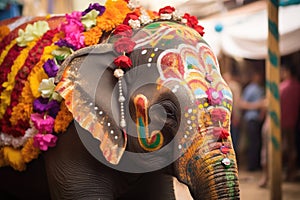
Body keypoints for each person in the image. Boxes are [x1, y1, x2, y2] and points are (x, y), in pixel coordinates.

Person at [241, 70, 265, 171]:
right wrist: (257, 105)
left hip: (258, 120)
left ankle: (256, 165)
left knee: (258, 142)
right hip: (251, 119)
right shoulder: (250, 89)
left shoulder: (261, 89)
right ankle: (251, 166)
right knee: (252, 143)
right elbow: (242, 104)